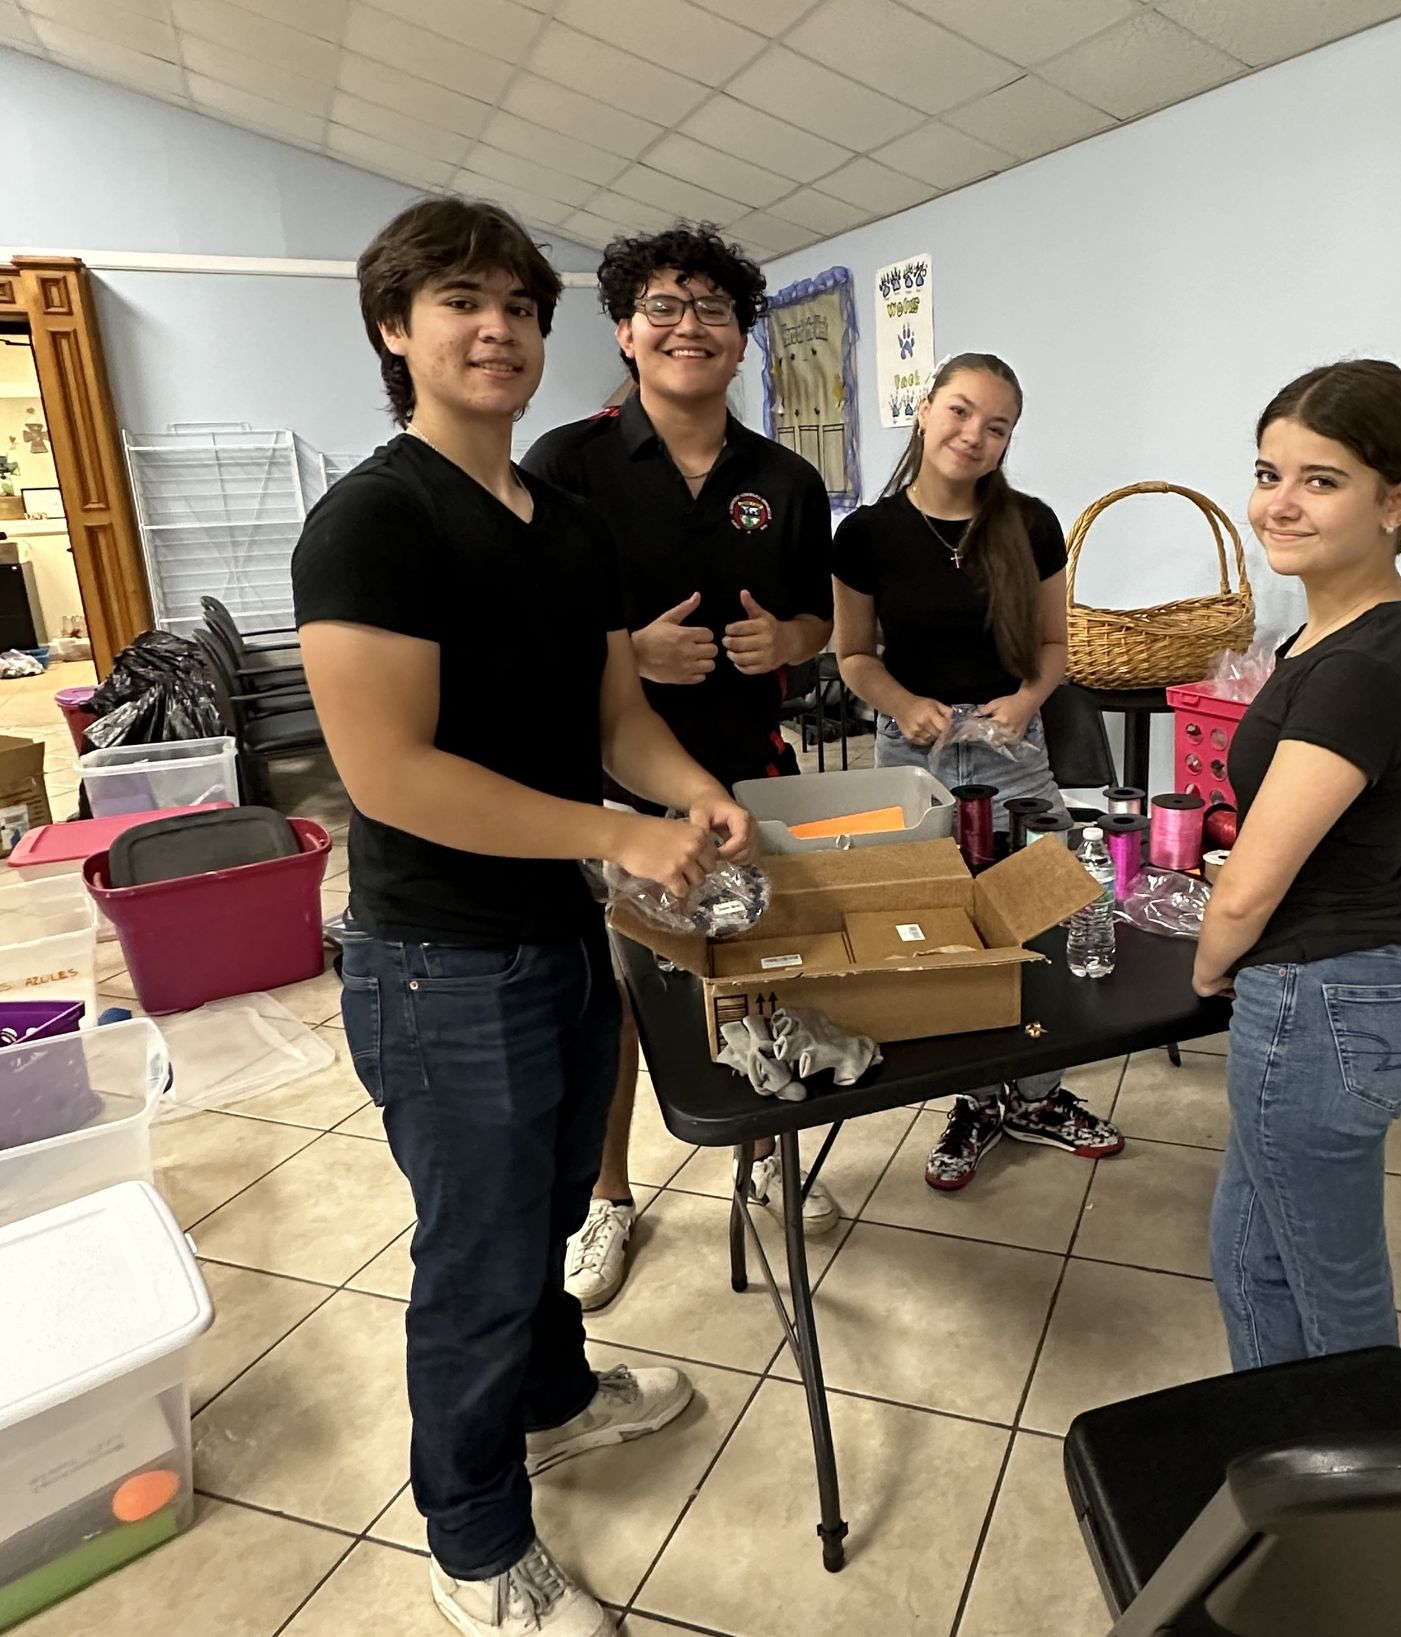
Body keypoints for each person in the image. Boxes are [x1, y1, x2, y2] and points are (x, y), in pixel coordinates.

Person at [293, 196, 758, 1637]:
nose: (497, 329)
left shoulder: (563, 522)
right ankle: (477, 1540)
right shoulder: (373, 519)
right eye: (459, 303)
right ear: (396, 328)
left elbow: (616, 712)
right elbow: (395, 774)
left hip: (557, 939)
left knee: (553, 1206)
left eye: (518, 305)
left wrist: (693, 796)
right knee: (482, 1261)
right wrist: (619, 834)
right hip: (440, 960)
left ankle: (556, 1405)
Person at [523, 223, 842, 1311]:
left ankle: (764, 1161)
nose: (687, 326)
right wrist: (629, 654)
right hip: (604, 790)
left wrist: (788, 644)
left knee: (753, 977)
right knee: (616, 1003)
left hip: (747, 772)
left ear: (743, 338)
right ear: (624, 330)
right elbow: (526, 633)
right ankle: (609, 1195)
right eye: (663, 305)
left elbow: (817, 618)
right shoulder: (565, 464)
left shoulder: (786, 479)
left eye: (712, 309)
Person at [1193, 359, 1401, 1370]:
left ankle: (1373, 1499)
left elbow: (1253, 883)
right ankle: (1285, 1454)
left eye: (1321, 479)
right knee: (1250, 1255)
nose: (1279, 503)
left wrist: (1214, 958)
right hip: (1360, 987)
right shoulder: (1349, 624)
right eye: (1268, 472)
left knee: (1337, 1298)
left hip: (1319, 1006)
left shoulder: (1357, 664)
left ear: (1399, 500)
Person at [832, 351, 1124, 1190]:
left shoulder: (1029, 523)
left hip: (1010, 745)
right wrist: (901, 699)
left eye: (997, 426)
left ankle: (1033, 1092)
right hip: (912, 754)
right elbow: (852, 654)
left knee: (1048, 907)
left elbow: (1053, 649)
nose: (975, 435)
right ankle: (970, 1100)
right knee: (939, 929)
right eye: (960, 412)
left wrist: (1028, 701)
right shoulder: (868, 534)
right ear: (923, 412)